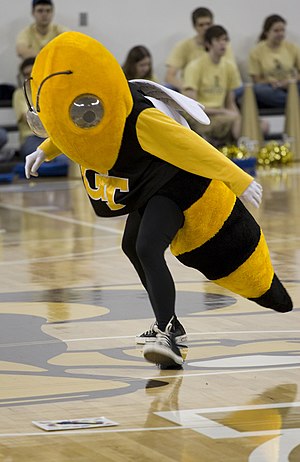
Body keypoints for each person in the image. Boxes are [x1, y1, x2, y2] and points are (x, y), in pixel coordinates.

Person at [23, 32, 292, 369]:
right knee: (131, 244)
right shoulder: (101, 110)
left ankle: (168, 333)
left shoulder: (143, 120)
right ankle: (170, 324)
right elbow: (74, 127)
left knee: (148, 246)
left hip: (182, 182)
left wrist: (238, 178)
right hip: (153, 186)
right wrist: (44, 149)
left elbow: (193, 146)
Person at [183, 25, 242, 145]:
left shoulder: (230, 67)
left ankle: (238, 150)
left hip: (221, 116)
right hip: (201, 117)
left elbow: (231, 103)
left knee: (261, 126)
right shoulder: (195, 66)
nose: (222, 44)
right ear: (208, 44)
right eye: (218, 40)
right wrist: (222, 112)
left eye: (225, 40)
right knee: (235, 120)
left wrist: (238, 116)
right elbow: (192, 107)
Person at [165, 7, 238, 92]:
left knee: (240, 88)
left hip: (217, 88)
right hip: (190, 86)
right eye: (201, 25)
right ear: (194, 26)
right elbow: (169, 77)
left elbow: (231, 73)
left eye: (208, 24)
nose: (205, 28)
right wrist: (188, 88)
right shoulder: (183, 46)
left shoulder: (223, 46)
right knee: (167, 87)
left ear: (213, 23)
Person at [248, 14, 300, 109]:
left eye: (282, 30)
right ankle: (294, 103)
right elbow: (256, 80)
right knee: (257, 90)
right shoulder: (256, 51)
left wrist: (290, 81)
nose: (280, 34)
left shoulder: (292, 48)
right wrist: (270, 82)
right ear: (267, 32)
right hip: (271, 88)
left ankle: (292, 102)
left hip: (290, 86)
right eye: (276, 31)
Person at [12, 57, 46, 158]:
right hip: (31, 136)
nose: (30, 76)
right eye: (26, 74)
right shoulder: (20, 94)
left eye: (32, 72)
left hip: (52, 135)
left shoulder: (48, 90)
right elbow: (29, 119)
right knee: (39, 157)